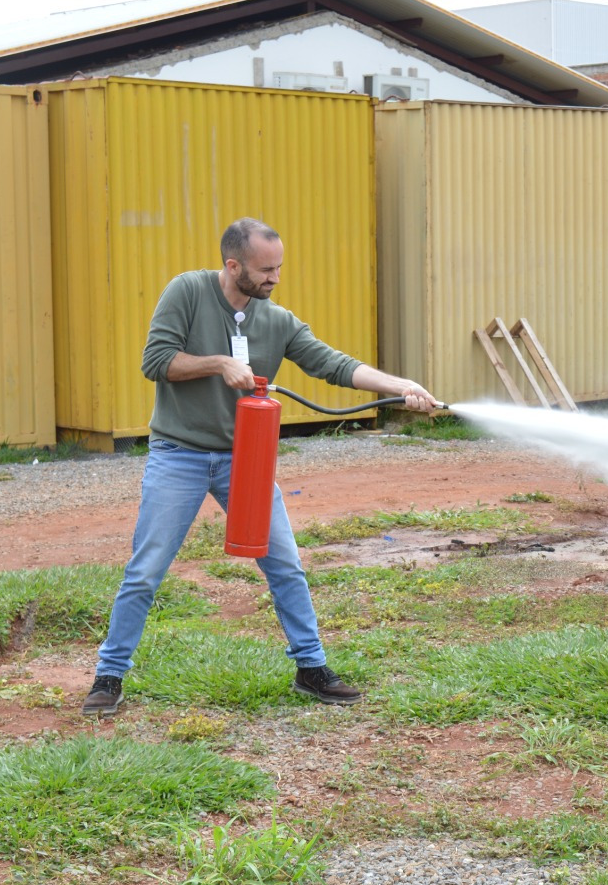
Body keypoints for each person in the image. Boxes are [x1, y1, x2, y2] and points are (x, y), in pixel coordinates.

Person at [82, 217, 439, 716]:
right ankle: (109, 676)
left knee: (285, 565)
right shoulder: (187, 292)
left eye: (279, 267)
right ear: (233, 266)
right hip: (179, 454)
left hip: (244, 459)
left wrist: (400, 386)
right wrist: (219, 363)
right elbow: (156, 361)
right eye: (266, 270)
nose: (275, 278)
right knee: (146, 571)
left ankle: (311, 669)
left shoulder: (277, 320)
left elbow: (334, 364)